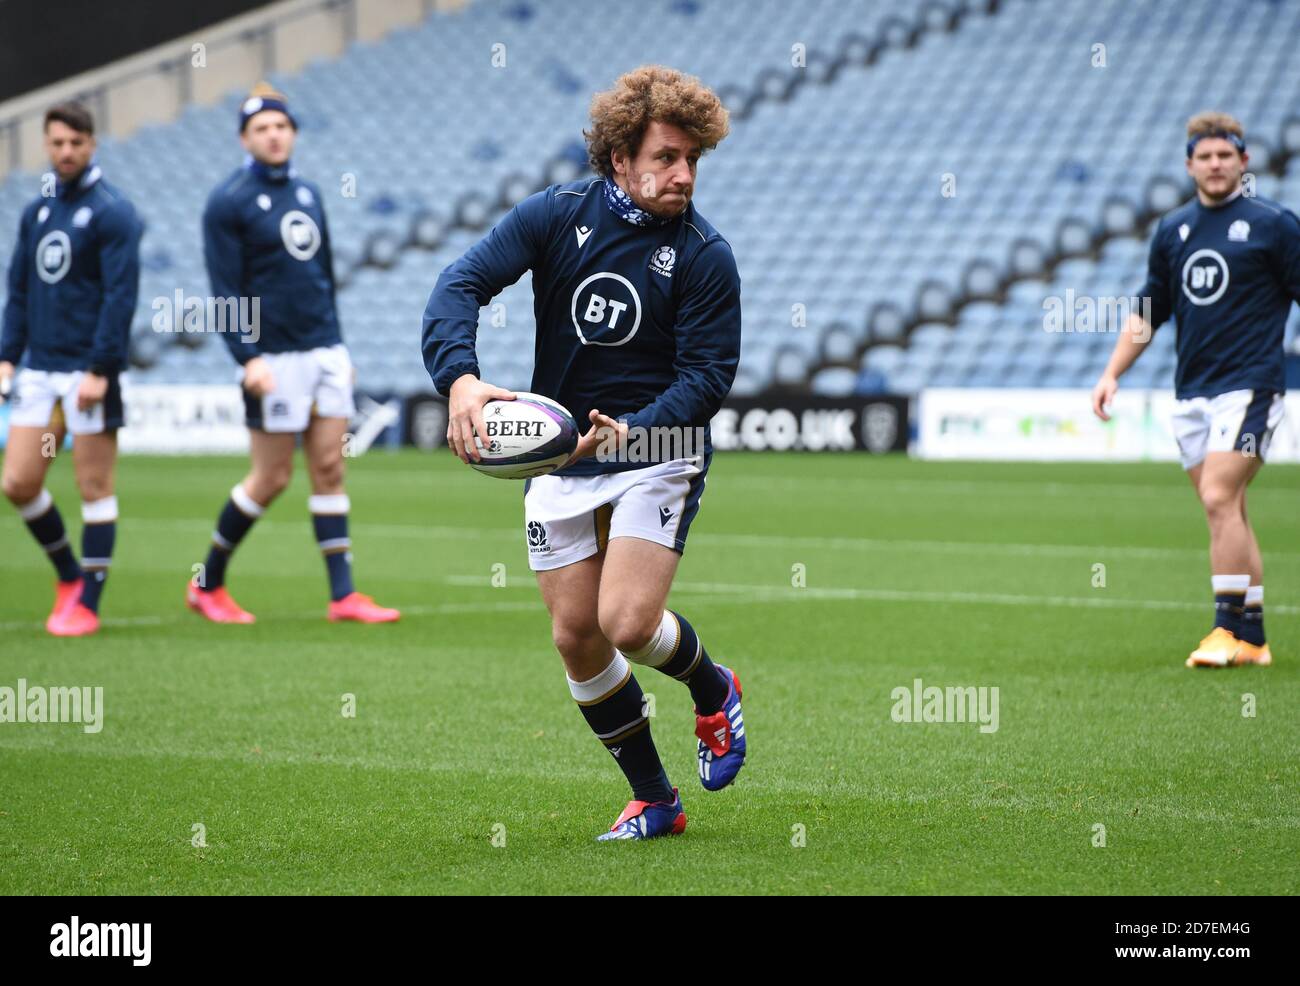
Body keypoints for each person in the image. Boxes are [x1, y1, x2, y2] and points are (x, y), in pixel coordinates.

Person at [423, 66, 745, 840]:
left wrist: (634, 429)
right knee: (577, 636)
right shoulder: (553, 215)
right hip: (563, 454)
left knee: (628, 622)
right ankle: (656, 801)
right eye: (666, 157)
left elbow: (709, 377)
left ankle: (713, 687)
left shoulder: (706, 254)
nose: (683, 175)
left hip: (659, 447)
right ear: (619, 158)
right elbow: (460, 283)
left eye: (692, 160)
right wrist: (461, 381)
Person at [1092, 111, 1300, 668]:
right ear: (1189, 165)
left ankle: (1223, 628)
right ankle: (1253, 638)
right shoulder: (1173, 230)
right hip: (1192, 393)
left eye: (1225, 156)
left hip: (1252, 388)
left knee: (1216, 495)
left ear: (1243, 161)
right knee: (1226, 508)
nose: (1214, 165)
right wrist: (1113, 371)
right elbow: (1149, 309)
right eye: (1204, 157)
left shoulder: (1275, 225)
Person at [188, 83, 399, 625]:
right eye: (261, 128)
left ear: (294, 133)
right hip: (273, 358)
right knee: (272, 477)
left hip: (323, 350)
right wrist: (248, 357)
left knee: (330, 468)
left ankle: (343, 596)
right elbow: (225, 290)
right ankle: (206, 583)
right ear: (244, 138)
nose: (274, 135)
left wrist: (339, 345)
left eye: (281, 126)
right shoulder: (227, 201)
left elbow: (322, 277)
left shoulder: (307, 193)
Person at [1, 102, 142, 636]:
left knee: (94, 486)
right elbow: (18, 290)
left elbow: (120, 295)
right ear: (47, 144)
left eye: (75, 143)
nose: (65, 152)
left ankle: (88, 604)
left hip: (87, 370)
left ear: (92, 144)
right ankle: (68, 575)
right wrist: (6, 357)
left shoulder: (113, 211)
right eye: (56, 142)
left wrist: (102, 367)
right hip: (39, 368)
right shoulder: (37, 209)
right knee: (17, 482)